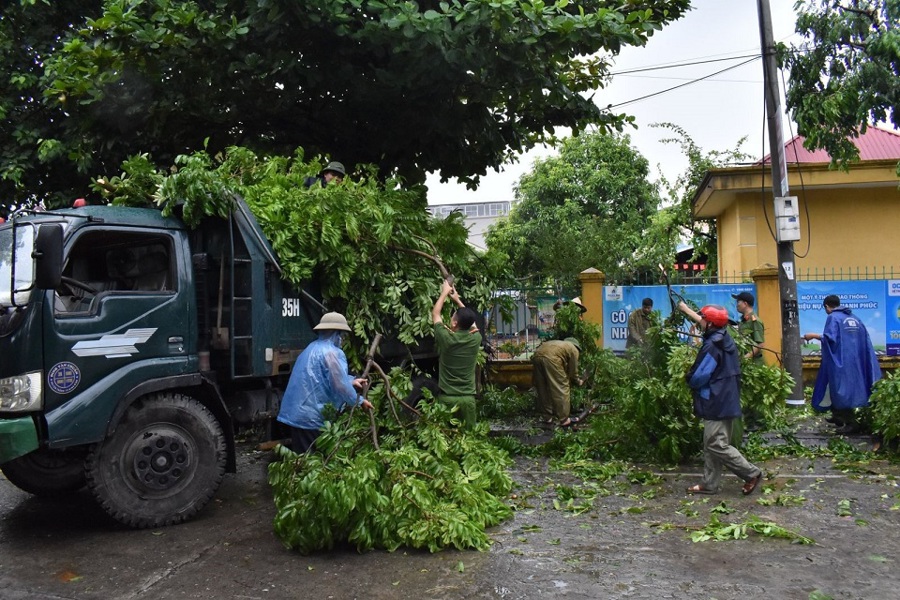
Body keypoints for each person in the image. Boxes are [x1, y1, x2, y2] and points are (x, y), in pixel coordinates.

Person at [679, 302, 762, 496]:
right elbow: (704, 321)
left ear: (710, 324)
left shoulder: (712, 345)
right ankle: (709, 484)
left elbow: (701, 375)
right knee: (712, 442)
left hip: (716, 398)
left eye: (704, 320)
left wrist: (688, 379)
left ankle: (751, 473)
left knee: (716, 444)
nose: (701, 323)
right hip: (726, 396)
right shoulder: (723, 337)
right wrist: (685, 309)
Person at [276, 312, 371, 452]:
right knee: (312, 463)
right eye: (342, 335)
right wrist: (361, 402)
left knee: (301, 460)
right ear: (336, 333)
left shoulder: (311, 348)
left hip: (298, 414)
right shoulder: (332, 353)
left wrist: (351, 380)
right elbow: (340, 386)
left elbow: (324, 378)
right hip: (311, 418)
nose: (342, 339)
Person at [802, 294, 881, 433]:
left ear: (827, 306)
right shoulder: (855, 319)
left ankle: (850, 423)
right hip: (856, 362)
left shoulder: (833, 317)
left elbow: (830, 339)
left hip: (840, 362)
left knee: (840, 389)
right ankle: (837, 416)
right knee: (845, 389)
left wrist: (813, 335)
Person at [431, 279, 482, 428]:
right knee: (470, 441)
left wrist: (444, 293)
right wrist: (457, 300)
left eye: (453, 318)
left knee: (446, 441)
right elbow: (471, 321)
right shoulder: (475, 339)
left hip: (447, 400)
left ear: (454, 323)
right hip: (468, 400)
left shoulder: (447, 338)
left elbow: (435, 314)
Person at [531, 337, 583, 429]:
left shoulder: (559, 345)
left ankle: (547, 418)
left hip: (537, 355)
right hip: (551, 359)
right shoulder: (574, 349)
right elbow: (573, 371)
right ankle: (564, 419)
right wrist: (578, 381)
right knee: (561, 387)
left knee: (542, 387)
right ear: (577, 346)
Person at [732, 291, 764, 360]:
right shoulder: (744, 320)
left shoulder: (754, 321)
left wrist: (746, 357)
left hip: (753, 364)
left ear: (745, 304)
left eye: (738, 302)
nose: (737, 305)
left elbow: (760, 344)